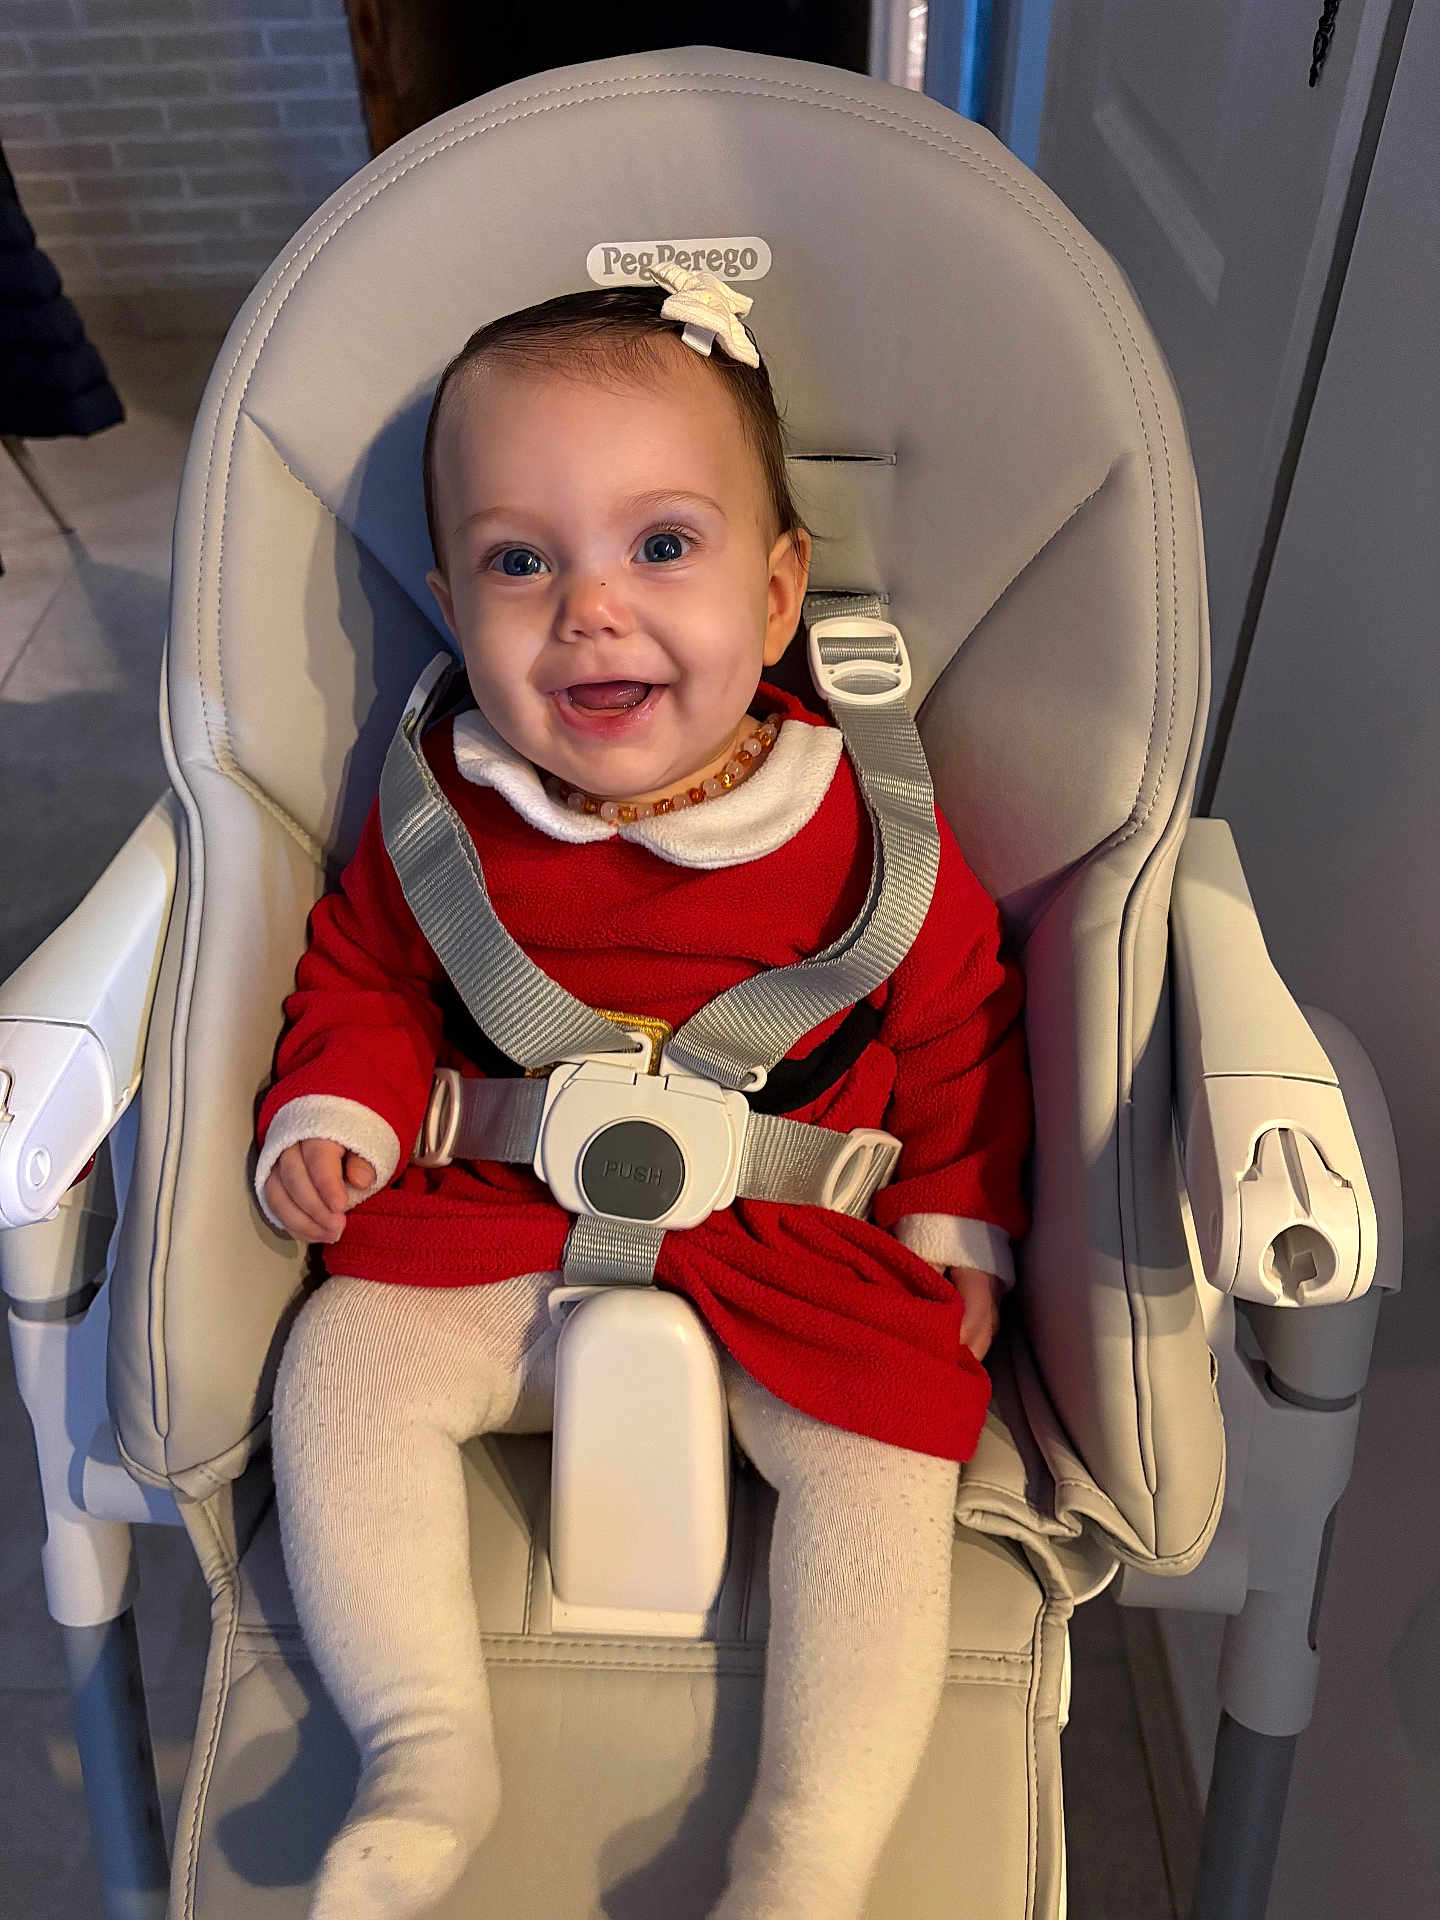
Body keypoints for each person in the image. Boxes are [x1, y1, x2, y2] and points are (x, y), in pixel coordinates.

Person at [254, 265, 1033, 1920]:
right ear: (451, 607)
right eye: (518, 562)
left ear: (777, 592)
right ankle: (421, 1749)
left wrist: (956, 1214)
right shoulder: (445, 811)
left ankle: (807, 1854)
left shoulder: (858, 816)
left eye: (661, 546)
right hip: (498, 1226)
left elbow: (961, 1025)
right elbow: (369, 978)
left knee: (892, 1459)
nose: (589, 610)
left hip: (792, 1248)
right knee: (341, 1371)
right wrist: (338, 1111)